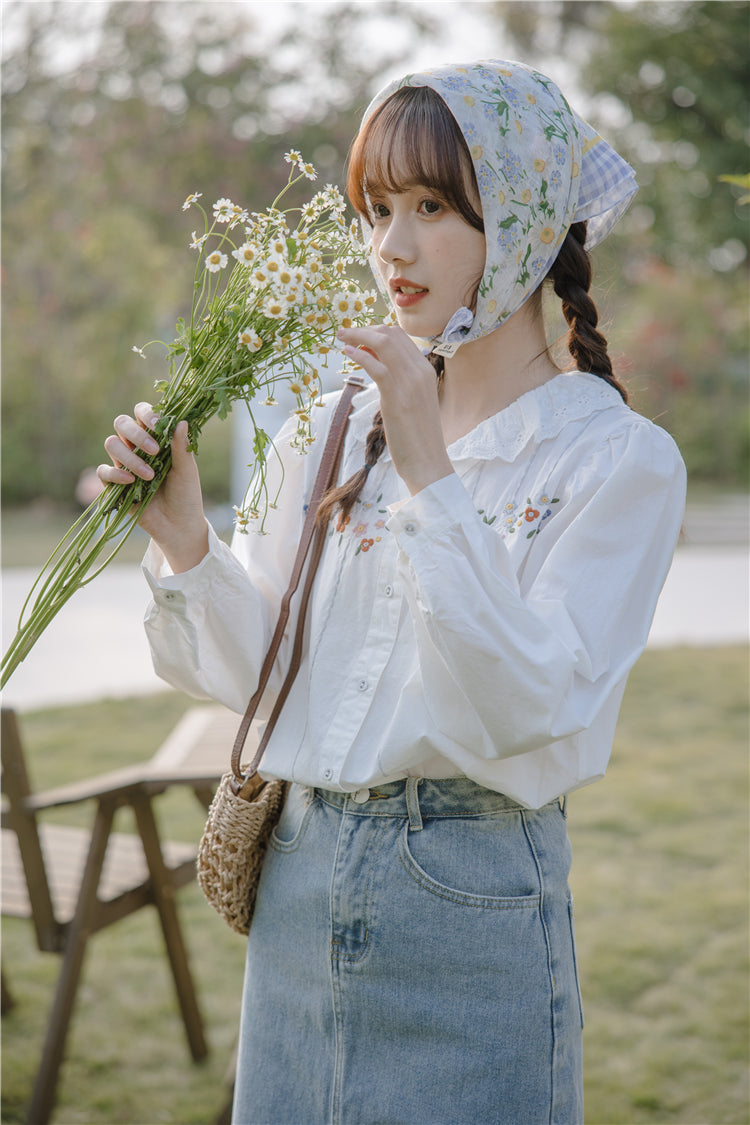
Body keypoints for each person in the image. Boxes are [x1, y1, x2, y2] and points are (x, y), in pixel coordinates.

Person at [99, 60, 686, 1125]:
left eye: (430, 208)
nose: (391, 248)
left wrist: (428, 468)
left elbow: (524, 708)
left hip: (470, 899)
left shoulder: (617, 461)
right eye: (377, 209)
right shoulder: (330, 424)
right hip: (300, 878)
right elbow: (260, 680)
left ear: (520, 219)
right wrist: (185, 541)